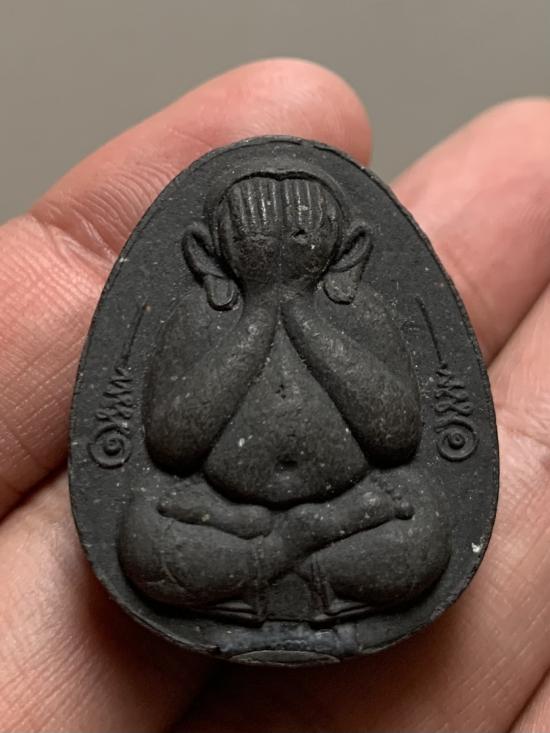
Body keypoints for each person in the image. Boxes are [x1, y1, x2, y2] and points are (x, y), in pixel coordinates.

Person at [0, 59, 549, 732]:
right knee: (142, 532)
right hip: (224, 516)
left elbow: (397, 436)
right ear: (208, 255)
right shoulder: (200, 317)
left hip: (349, 509)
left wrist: (303, 314)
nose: (282, 245)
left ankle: (264, 573)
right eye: (261, 235)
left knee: (425, 527)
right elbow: (171, 445)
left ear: (345, 251)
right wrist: (259, 313)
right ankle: (295, 567)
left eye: (301, 235)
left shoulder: (361, 313)